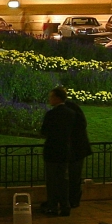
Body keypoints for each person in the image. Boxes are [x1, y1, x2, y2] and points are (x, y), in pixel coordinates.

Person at [40, 87, 76, 216]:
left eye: (51, 97)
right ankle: (65, 206)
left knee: (52, 181)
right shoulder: (71, 114)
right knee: (63, 180)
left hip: (52, 150)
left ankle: (53, 206)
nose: (50, 99)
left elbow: (44, 131)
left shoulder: (51, 114)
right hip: (64, 150)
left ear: (57, 98)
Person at [62, 95, 92, 209]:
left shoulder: (69, 110)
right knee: (74, 176)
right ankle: (73, 200)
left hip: (76, 150)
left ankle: (72, 200)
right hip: (78, 149)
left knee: (73, 176)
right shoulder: (73, 110)